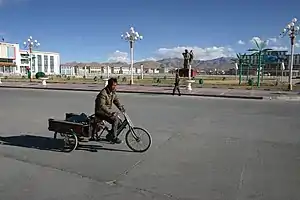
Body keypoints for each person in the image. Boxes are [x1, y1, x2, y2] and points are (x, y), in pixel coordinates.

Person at [94, 78, 125, 144]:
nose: (114, 87)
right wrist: (110, 113)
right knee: (115, 120)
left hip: (106, 111)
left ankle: (110, 135)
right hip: (100, 112)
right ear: (109, 85)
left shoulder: (112, 92)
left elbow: (116, 100)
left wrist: (121, 107)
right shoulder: (103, 93)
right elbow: (102, 106)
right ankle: (114, 137)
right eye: (113, 85)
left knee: (120, 123)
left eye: (115, 85)